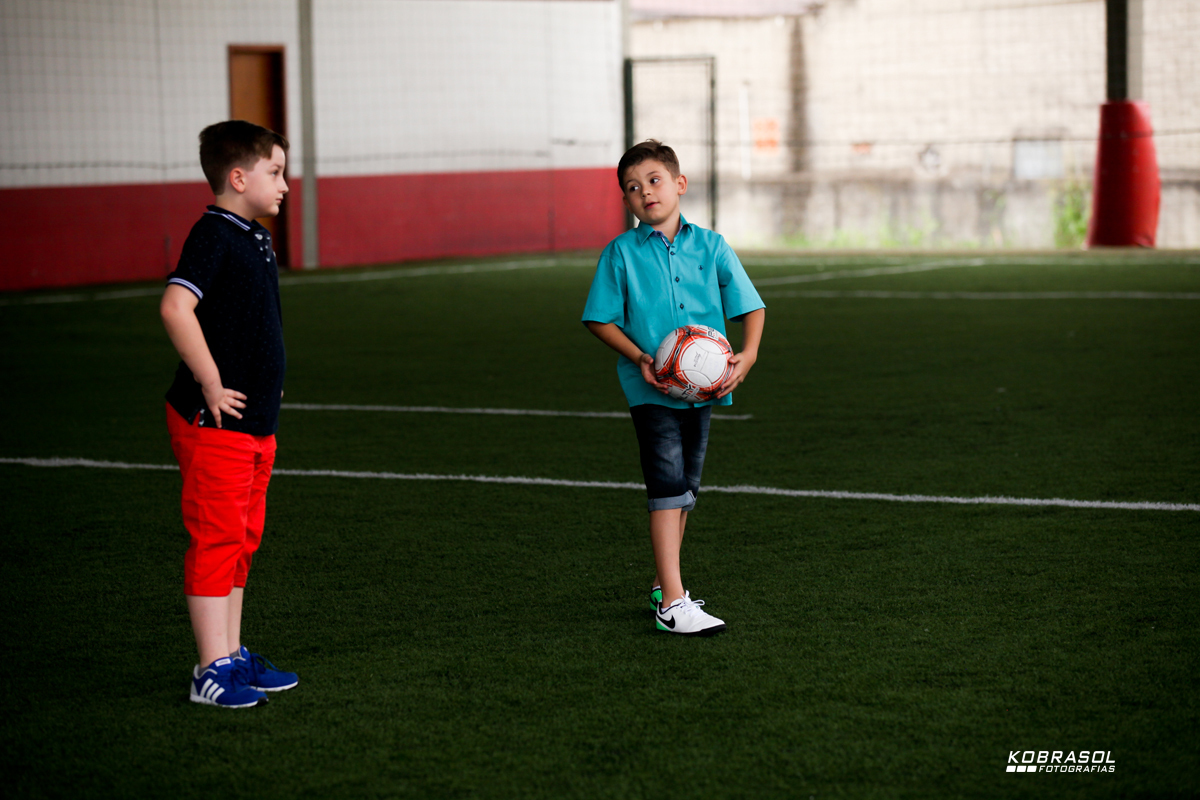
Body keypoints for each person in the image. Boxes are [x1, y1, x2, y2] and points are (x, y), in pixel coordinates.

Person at [582, 140, 765, 636]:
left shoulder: (712, 246)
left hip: (702, 390)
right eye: (633, 188)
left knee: (686, 491)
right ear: (626, 201)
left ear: (680, 184)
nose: (645, 192)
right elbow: (599, 318)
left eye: (654, 181)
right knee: (666, 488)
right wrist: (641, 355)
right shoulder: (620, 253)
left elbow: (752, 306)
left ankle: (667, 586)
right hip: (650, 391)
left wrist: (747, 355)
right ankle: (674, 603)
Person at [160, 120, 298, 707]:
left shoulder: (255, 236)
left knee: (241, 539)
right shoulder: (214, 233)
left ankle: (233, 657)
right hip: (214, 424)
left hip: (255, 425)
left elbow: (255, 324)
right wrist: (211, 383)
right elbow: (175, 307)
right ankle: (209, 670)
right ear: (238, 177)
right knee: (216, 541)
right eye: (275, 171)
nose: (285, 184)